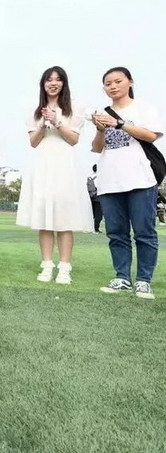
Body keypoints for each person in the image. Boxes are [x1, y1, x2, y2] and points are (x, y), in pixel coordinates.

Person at [16, 66, 94, 284]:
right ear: (43, 84)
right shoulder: (35, 109)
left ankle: (65, 267)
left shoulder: (74, 107)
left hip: (65, 164)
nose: (53, 83)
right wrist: (43, 124)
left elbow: (73, 139)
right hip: (42, 163)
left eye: (58, 80)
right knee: (44, 217)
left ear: (64, 83)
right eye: (49, 80)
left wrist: (57, 121)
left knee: (64, 217)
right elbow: (33, 142)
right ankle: (47, 264)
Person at [90, 66, 163, 299]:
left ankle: (143, 280)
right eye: (107, 83)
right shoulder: (102, 112)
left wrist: (119, 123)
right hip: (109, 180)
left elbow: (151, 135)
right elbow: (97, 148)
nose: (112, 86)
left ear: (130, 82)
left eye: (118, 81)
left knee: (144, 232)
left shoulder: (143, 108)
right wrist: (100, 129)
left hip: (140, 179)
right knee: (116, 233)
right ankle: (122, 277)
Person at [88, 165, 103, 233]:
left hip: (91, 197)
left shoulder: (90, 177)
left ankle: (91, 228)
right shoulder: (99, 177)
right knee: (98, 214)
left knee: (92, 213)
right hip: (98, 197)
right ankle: (96, 229)